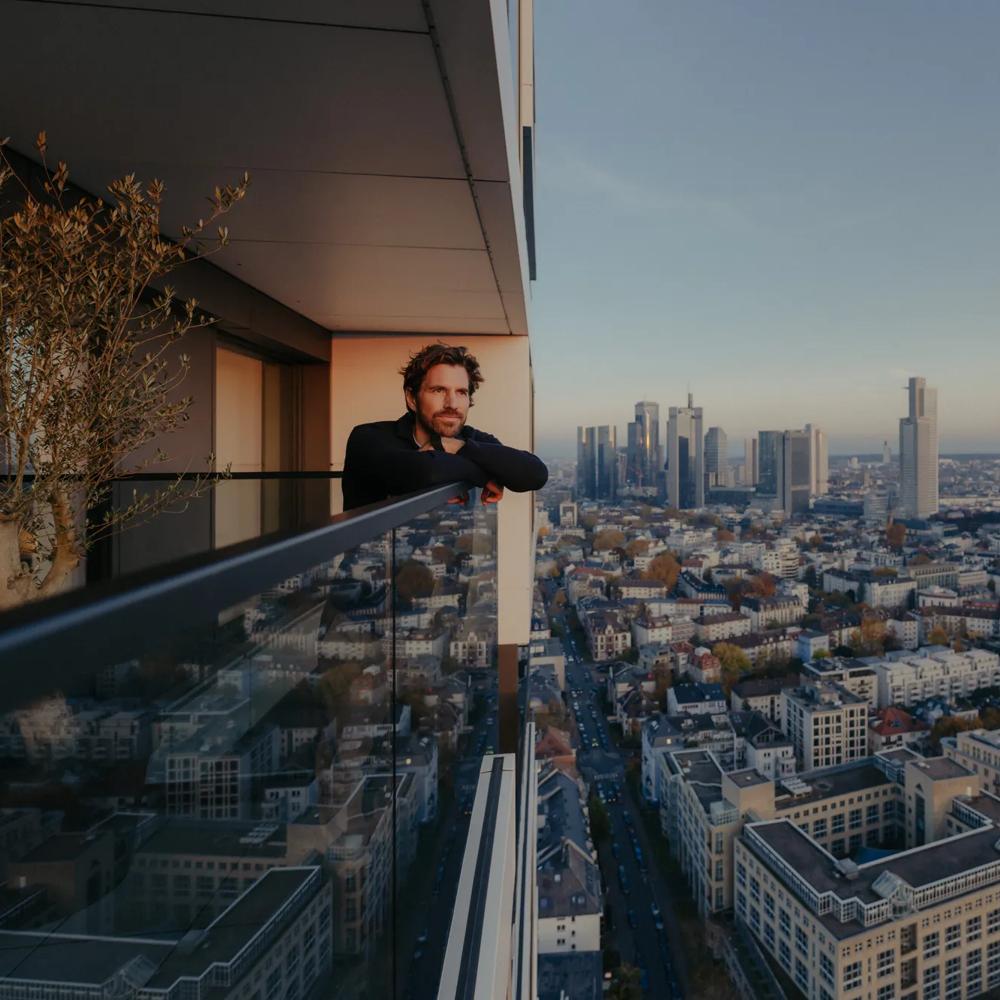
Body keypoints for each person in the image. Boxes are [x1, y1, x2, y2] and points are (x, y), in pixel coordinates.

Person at [342, 343, 548, 510]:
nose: (452, 404)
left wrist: (456, 447)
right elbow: (425, 470)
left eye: (461, 392)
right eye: (438, 390)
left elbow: (535, 474)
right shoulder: (368, 438)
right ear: (412, 398)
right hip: (369, 551)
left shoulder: (468, 440)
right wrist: (483, 475)